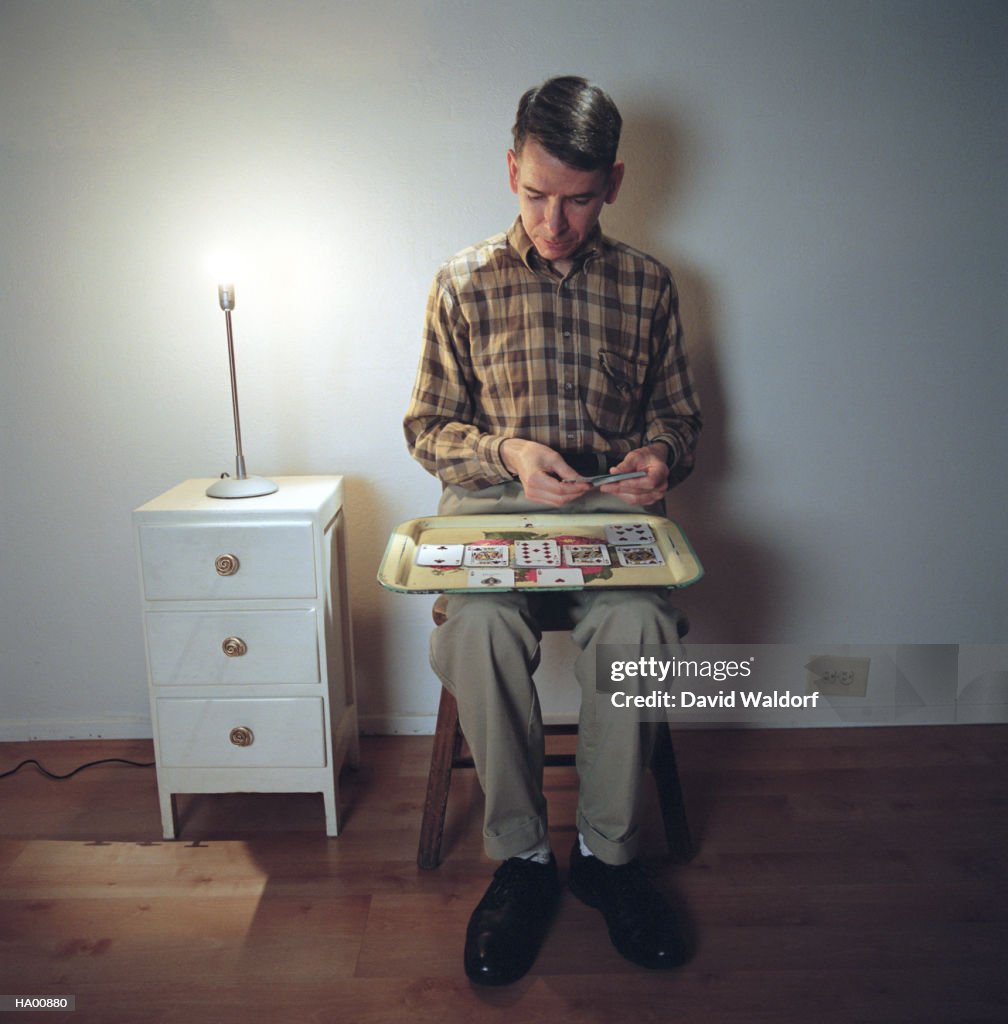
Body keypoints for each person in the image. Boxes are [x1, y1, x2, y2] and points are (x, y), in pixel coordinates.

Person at [403, 75, 702, 986]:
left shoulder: (649, 285)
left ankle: (608, 861)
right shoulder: (461, 282)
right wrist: (509, 451)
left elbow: (679, 419)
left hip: (613, 522)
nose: (554, 221)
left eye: (576, 200)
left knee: (642, 625)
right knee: (482, 626)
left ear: (612, 183)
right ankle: (523, 861)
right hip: (496, 515)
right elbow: (427, 429)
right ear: (510, 171)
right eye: (535, 195)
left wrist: (658, 457)